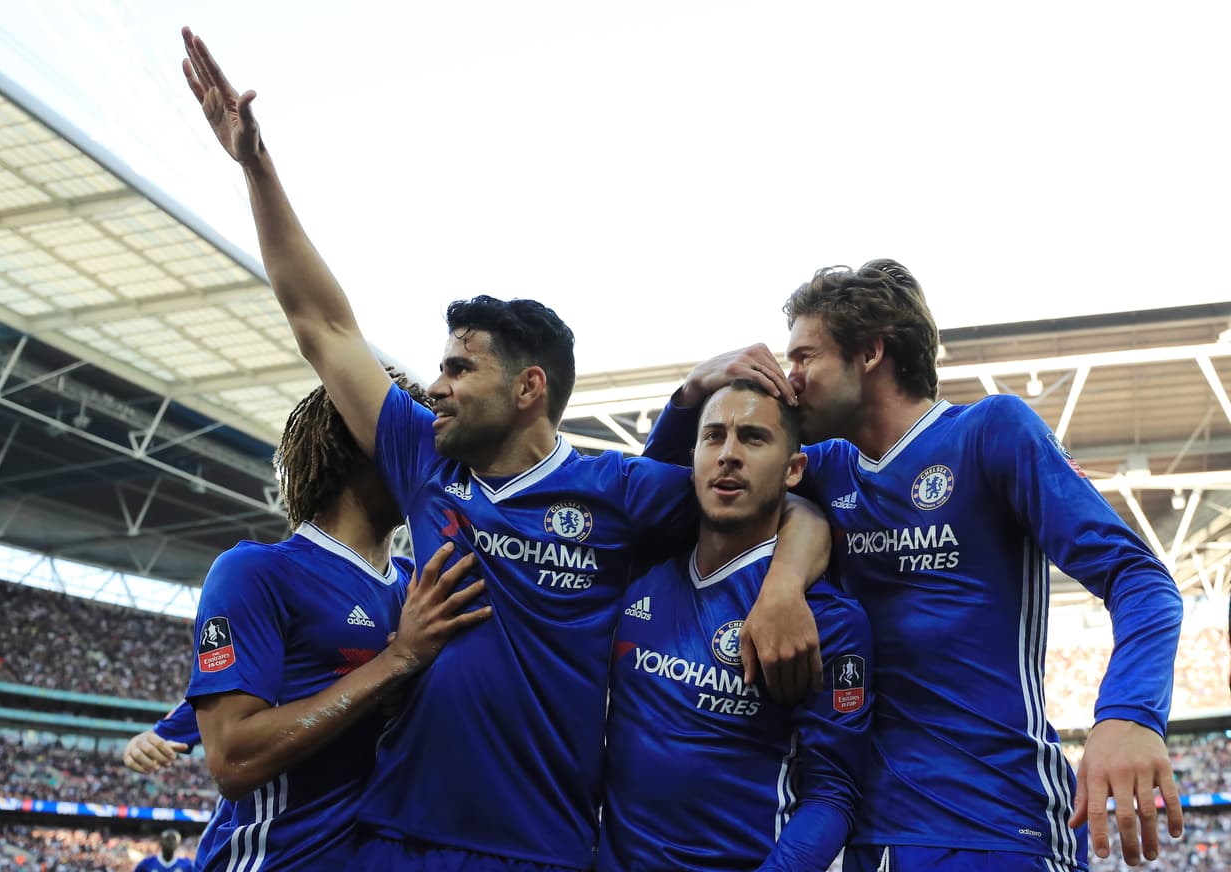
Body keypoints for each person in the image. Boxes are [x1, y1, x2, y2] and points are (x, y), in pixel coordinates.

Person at [179, 28, 830, 872]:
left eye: (459, 367)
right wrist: (255, 167)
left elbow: (795, 504)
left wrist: (782, 582)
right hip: (393, 839)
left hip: (537, 851)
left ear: (529, 389)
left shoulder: (619, 491)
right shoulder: (423, 460)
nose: (435, 385)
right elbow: (324, 325)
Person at [644, 259, 1185, 870]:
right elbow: (660, 507)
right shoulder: (824, 469)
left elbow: (1140, 579)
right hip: (870, 838)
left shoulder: (989, 432)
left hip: (998, 823)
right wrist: (690, 392)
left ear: (871, 352)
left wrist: (1129, 716)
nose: (787, 380)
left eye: (804, 358)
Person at [187, 383, 491, 870]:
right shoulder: (257, 571)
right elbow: (232, 759)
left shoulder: (421, 586)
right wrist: (396, 663)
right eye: (408, 434)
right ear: (360, 441)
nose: (430, 456)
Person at [598, 380, 874, 872]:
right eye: (713, 437)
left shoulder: (828, 619)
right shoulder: (637, 571)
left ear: (794, 470)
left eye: (752, 437)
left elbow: (833, 794)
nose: (728, 455)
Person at [122, 701, 228, 870]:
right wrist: (152, 736)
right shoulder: (146, 864)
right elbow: (208, 696)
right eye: (168, 839)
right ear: (159, 842)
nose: (170, 842)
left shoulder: (185, 865)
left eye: (173, 839)